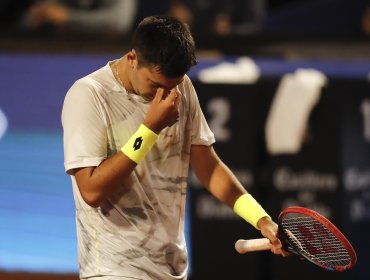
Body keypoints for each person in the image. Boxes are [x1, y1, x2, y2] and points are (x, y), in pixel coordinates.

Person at [62, 15, 286, 280]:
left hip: (172, 268)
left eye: (173, 86)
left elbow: (209, 168)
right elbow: (91, 190)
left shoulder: (182, 88)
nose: (165, 95)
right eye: (156, 85)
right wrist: (150, 129)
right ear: (133, 59)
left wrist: (260, 219)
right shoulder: (88, 95)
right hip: (114, 269)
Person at [22, 0, 137, 36]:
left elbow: (119, 22)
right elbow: (27, 21)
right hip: (56, 52)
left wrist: (68, 17)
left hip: (103, 54)